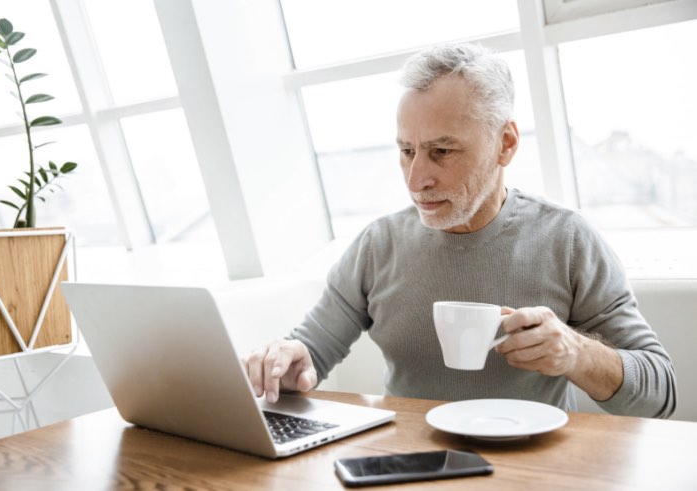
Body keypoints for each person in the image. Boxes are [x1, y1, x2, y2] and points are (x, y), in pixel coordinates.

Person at [243, 42, 676, 418]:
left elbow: (659, 396)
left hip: (529, 470)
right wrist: (286, 361)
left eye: (442, 151)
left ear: (505, 143)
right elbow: (310, 352)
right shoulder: (379, 245)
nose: (415, 181)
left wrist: (575, 353)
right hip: (406, 465)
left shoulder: (568, 240)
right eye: (406, 151)